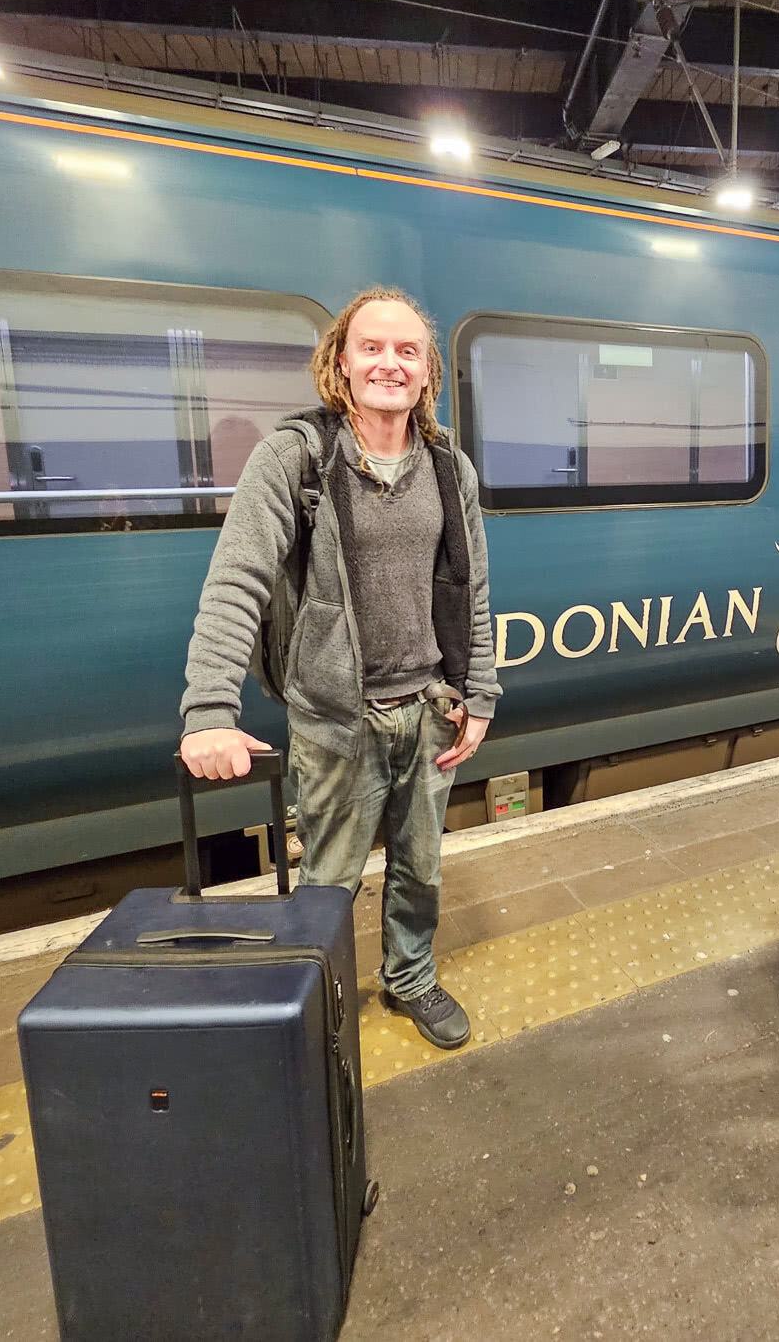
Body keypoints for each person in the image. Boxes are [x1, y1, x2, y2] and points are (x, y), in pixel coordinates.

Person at [179, 287, 501, 1051]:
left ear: (426, 373)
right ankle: (321, 995)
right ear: (341, 364)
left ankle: (410, 977)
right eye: (372, 348)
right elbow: (237, 579)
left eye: (408, 350)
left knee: (420, 868)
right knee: (329, 877)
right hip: (333, 720)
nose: (390, 362)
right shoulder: (294, 458)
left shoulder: (450, 467)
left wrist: (479, 691)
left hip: (429, 709)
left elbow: (473, 586)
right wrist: (208, 711)